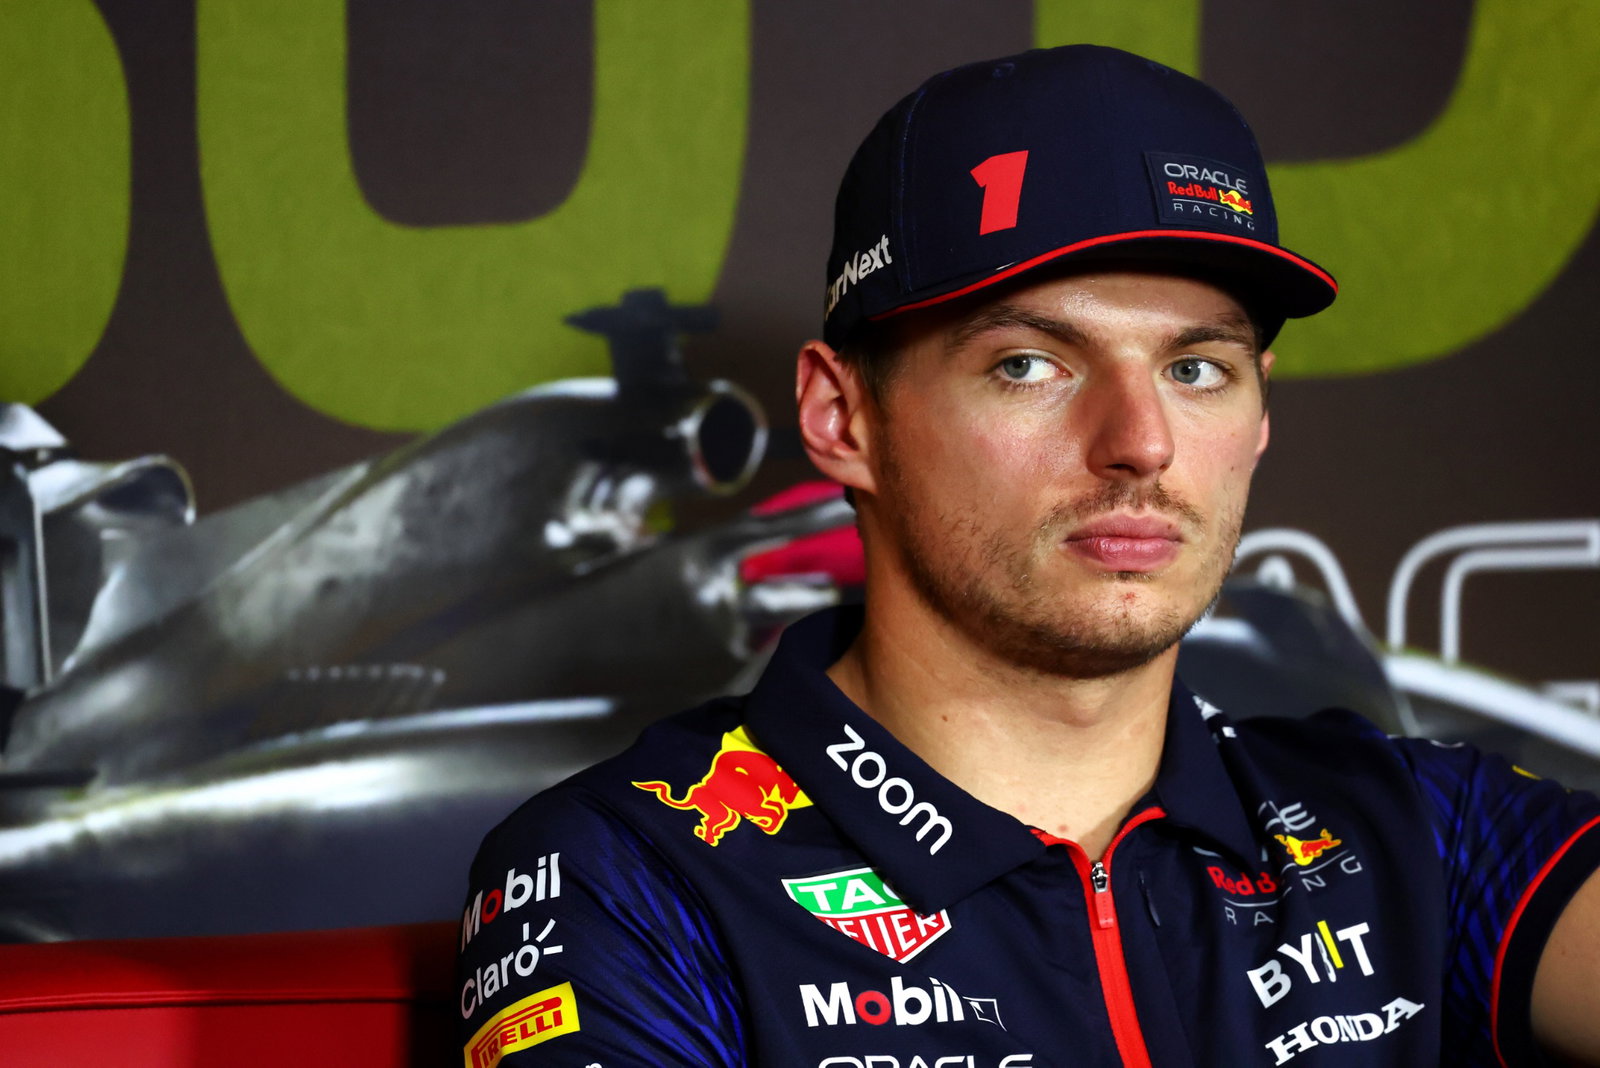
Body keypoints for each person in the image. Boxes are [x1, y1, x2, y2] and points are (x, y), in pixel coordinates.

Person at [454, 45, 1600, 1067]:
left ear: (1256, 420)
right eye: (1028, 364)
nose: (1140, 444)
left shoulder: (1415, 826)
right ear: (840, 419)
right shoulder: (635, 875)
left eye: (1196, 368)